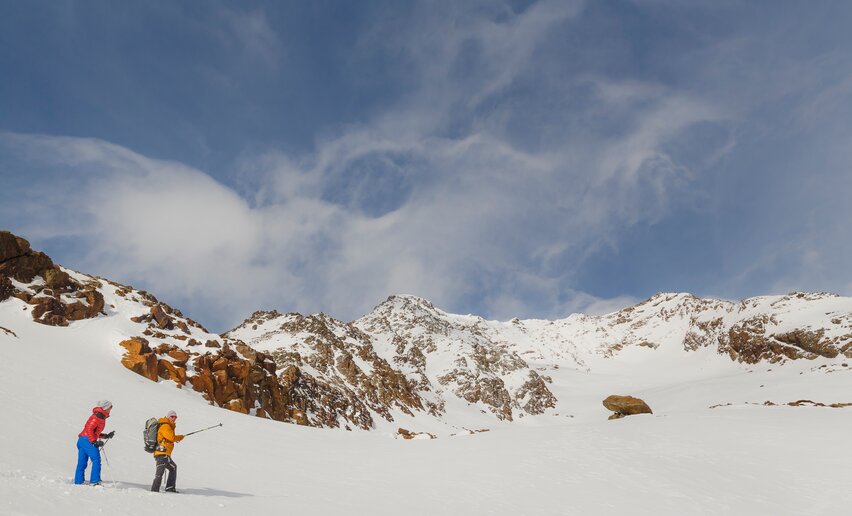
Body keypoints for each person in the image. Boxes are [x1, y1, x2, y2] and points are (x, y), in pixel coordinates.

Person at [74, 400, 115, 486]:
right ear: (106, 407)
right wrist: (94, 441)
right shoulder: (96, 417)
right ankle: (95, 481)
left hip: (82, 440)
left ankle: (78, 481)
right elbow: (89, 429)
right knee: (96, 460)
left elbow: (94, 431)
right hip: (87, 440)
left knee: (82, 462)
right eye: (110, 407)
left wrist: (106, 436)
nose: (111, 409)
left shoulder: (99, 416)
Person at [151, 410, 184, 493]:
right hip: (161, 453)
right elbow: (171, 437)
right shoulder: (165, 426)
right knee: (160, 472)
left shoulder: (168, 426)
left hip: (164, 453)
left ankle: (169, 488)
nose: (174, 419)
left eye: (175, 417)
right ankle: (155, 490)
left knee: (173, 467)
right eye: (172, 417)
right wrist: (179, 437)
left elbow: (169, 438)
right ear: (169, 417)